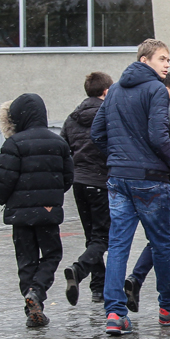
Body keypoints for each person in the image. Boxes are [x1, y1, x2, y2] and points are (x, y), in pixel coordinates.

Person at [90, 38, 170, 336]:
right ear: (145, 60)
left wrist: (117, 157)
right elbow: (158, 135)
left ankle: (115, 313)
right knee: (162, 243)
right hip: (150, 178)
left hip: (118, 177)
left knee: (118, 244)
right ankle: (168, 307)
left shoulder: (115, 89)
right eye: (162, 59)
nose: (167, 64)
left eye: (168, 59)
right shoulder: (156, 89)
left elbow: (97, 133)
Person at [122, 72, 170, 312]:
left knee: (159, 238)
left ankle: (136, 277)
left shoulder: (148, 112)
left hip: (149, 182)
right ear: (166, 89)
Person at [0, 93, 74, 327]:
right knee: (51, 254)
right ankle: (37, 292)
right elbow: (68, 177)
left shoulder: (14, 143)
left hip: (20, 214)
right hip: (48, 212)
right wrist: (51, 196)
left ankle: (31, 302)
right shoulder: (58, 143)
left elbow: (4, 179)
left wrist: (3, 200)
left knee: (26, 259)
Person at [59, 71, 112, 305]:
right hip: (100, 182)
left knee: (92, 236)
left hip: (79, 182)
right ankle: (79, 270)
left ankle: (98, 287)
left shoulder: (72, 118)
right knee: (103, 237)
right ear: (106, 91)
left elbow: (64, 149)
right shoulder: (108, 115)